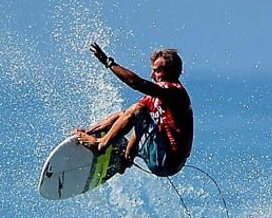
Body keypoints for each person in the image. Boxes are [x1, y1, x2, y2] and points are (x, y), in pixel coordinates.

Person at [73, 43, 194, 179]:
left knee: (137, 110)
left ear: (170, 72)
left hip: (168, 160)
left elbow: (137, 83)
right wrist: (89, 131)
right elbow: (124, 116)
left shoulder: (176, 92)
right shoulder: (154, 98)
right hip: (160, 157)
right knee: (129, 115)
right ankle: (125, 159)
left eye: (156, 71)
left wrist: (109, 63)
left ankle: (101, 145)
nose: (152, 75)